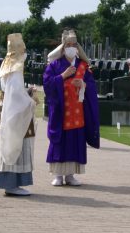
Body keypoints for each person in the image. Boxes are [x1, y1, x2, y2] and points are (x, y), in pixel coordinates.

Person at [43, 29, 100, 186]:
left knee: (75, 141)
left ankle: (70, 175)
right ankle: (58, 175)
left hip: (77, 113)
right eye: (68, 44)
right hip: (62, 111)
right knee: (60, 142)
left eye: (74, 45)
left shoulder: (83, 66)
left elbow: (92, 87)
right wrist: (63, 76)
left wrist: (83, 85)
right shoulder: (54, 66)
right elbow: (47, 85)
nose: (71, 47)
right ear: (63, 47)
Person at [0, 33, 37, 196]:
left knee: (9, 143)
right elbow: (16, 94)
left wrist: (26, 93)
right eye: (24, 50)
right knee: (15, 144)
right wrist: (30, 100)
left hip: (9, 110)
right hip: (15, 113)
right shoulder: (16, 69)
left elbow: (12, 91)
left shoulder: (6, 65)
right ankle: (11, 184)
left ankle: (12, 183)